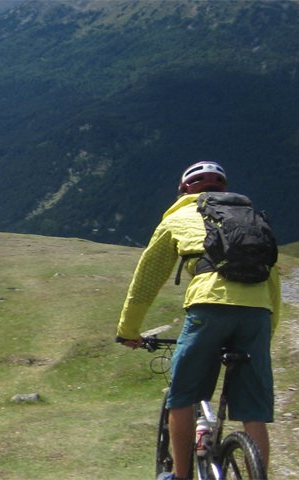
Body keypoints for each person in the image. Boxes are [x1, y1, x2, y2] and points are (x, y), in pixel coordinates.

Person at [114, 161, 281, 480]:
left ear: (183, 191)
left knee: (183, 396)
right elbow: (273, 284)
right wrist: (264, 336)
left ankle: (181, 476)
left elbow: (146, 281)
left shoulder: (177, 218)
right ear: (224, 190)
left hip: (209, 307)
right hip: (257, 314)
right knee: (254, 414)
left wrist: (128, 330)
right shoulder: (251, 221)